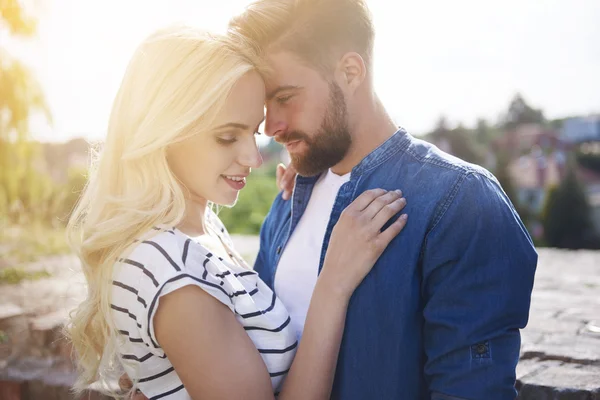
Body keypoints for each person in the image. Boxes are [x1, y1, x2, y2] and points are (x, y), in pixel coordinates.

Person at [66, 26, 408, 400]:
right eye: (228, 137)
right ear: (164, 132)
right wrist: (334, 283)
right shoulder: (169, 270)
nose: (253, 158)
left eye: (252, 134)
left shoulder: (199, 229)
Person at [226, 0, 538, 399]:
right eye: (266, 105)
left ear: (351, 72)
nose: (272, 126)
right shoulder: (288, 201)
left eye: (285, 97)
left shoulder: (461, 202)